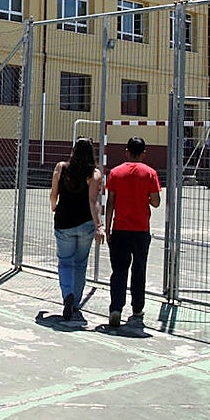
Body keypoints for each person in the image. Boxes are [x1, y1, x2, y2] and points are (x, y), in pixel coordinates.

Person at [104, 137, 161, 327]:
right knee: (139, 269)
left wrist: (107, 227)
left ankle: (116, 308)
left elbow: (110, 202)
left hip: (120, 228)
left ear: (127, 152)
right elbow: (156, 201)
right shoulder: (150, 173)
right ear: (144, 153)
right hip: (141, 229)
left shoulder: (115, 172)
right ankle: (137, 308)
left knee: (119, 270)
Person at [49, 137, 104, 325]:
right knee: (80, 264)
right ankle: (76, 302)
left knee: (65, 263)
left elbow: (53, 194)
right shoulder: (94, 174)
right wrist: (99, 226)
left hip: (64, 222)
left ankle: (68, 295)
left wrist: (54, 205)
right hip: (85, 224)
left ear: (73, 150)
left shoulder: (61, 168)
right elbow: (93, 201)